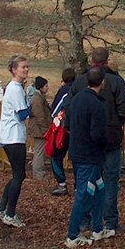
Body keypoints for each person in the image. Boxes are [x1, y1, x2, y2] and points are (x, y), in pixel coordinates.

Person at [70, 47, 125, 237]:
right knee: (110, 180)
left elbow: (70, 108)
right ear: (107, 61)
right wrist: (115, 123)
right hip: (110, 139)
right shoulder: (116, 81)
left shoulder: (80, 81)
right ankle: (110, 221)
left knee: (87, 182)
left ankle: (85, 219)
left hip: (86, 141)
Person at [64, 67, 110, 248]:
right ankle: (72, 235)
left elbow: (68, 124)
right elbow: (97, 134)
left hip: (77, 152)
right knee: (83, 194)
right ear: (102, 82)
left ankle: (98, 228)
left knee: (100, 189)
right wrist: (105, 143)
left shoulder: (76, 100)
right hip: (90, 156)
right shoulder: (97, 104)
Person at [0, 54, 31, 228]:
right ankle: (10, 213)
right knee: (19, 175)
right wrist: (31, 105)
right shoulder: (15, 89)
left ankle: (1, 208)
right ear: (14, 70)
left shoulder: (16, 88)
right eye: (23, 67)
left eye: (27, 67)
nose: (26, 70)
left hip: (11, 136)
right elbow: (22, 114)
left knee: (17, 174)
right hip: (14, 137)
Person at [48, 68, 76, 196]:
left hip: (64, 130)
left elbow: (55, 110)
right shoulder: (80, 89)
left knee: (56, 156)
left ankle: (62, 184)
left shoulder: (64, 91)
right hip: (77, 128)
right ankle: (78, 185)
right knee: (77, 159)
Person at [28, 76, 52, 180]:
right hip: (39, 129)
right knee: (39, 152)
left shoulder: (38, 97)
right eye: (46, 86)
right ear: (41, 87)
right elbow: (40, 115)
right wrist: (45, 129)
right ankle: (38, 173)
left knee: (40, 151)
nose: (47, 88)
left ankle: (39, 172)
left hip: (38, 128)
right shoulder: (37, 98)